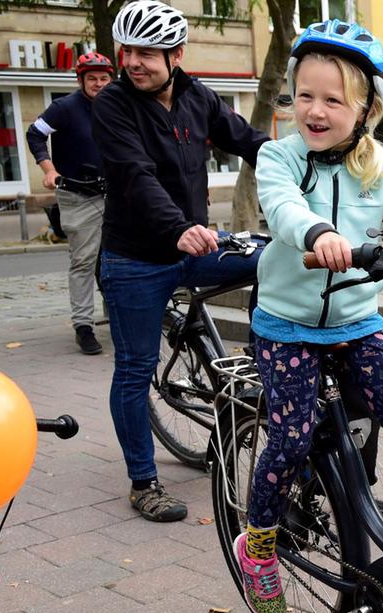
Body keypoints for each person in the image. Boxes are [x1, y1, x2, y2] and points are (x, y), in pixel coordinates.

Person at [230, 20, 383, 613]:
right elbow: (283, 209)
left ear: (366, 111)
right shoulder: (277, 156)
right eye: (304, 95)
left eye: (333, 99)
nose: (315, 109)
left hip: (357, 322)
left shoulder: (377, 167)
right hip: (286, 324)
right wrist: (319, 233)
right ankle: (256, 545)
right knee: (291, 433)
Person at [92, 0, 269, 522]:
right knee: (133, 370)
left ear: (176, 54)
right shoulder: (114, 104)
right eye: (128, 51)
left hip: (194, 247)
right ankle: (143, 482)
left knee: (275, 259)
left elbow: (249, 140)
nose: (133, 62)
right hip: (137, 260)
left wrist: (314, 162)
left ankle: (258, 366)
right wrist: (180, 229)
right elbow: (135, 175)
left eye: (147, 52)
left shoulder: (198, 96)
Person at [26, 50, 114, 355]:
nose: (99, 83)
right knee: (84, 259)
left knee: (115, 259)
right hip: (77, 194)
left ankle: (116, 317)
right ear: (81, 80)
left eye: (104, 78)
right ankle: (83, 326)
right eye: (92, 78)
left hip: (115, 194)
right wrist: (49, 170)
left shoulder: (117, 106)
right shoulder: (64, 108)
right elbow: (34, 135)